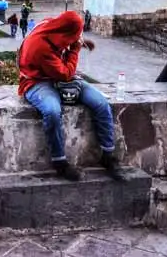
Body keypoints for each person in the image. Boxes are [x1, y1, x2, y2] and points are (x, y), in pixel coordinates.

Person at [17, 11, 123, 182]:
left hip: (62, 77)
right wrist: (75, 50)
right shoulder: (40, 45)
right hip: (38, 81)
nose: (77, 37)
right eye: (76, 34)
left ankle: (108, 155)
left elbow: (65, 46)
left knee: (101, 103)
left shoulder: (55, 27)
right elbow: (65, 73)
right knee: (51, 111)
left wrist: (80, 43)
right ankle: (60, 162)